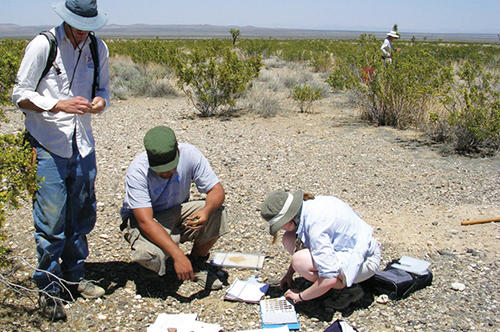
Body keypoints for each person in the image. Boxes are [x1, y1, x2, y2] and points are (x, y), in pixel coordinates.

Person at [11, 0, 110, 321]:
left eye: (88, 25)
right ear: (66, 19)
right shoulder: (44, 45)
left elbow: (105, 90)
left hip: (83, 144)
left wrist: (99, 103)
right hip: (47, 143)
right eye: (78, 24)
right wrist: (57, 105)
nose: (83, 31)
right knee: (51, 219)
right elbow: (20, 95)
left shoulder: (98, 48)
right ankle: (48, 286)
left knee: (82, 213)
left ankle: (75, 276)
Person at [120, 126, 229, 291]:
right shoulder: (137, 170)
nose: (165, 174)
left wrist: (206, 212)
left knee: (217, 211)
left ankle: (196, 263)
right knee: (147, 255)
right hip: (147, 220)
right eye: (160, 171)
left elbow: (217, 190)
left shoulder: (190, 154)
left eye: (170, 168)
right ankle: (156, 272)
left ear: (177, 151)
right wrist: (178, 255)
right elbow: (145, 221)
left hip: (176, 211)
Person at [260, 190, 381, 309]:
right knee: (289, 238)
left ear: (288, 217)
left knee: (300, 261)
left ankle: (346, 290)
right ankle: (331, 283)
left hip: (365, 261)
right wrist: (289, 273)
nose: (281, 229)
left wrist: (300, 297)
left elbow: (329, 278)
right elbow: (305, 241)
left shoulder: (316, 227)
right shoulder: (308, 207)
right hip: (355, 249)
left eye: (280, 224)